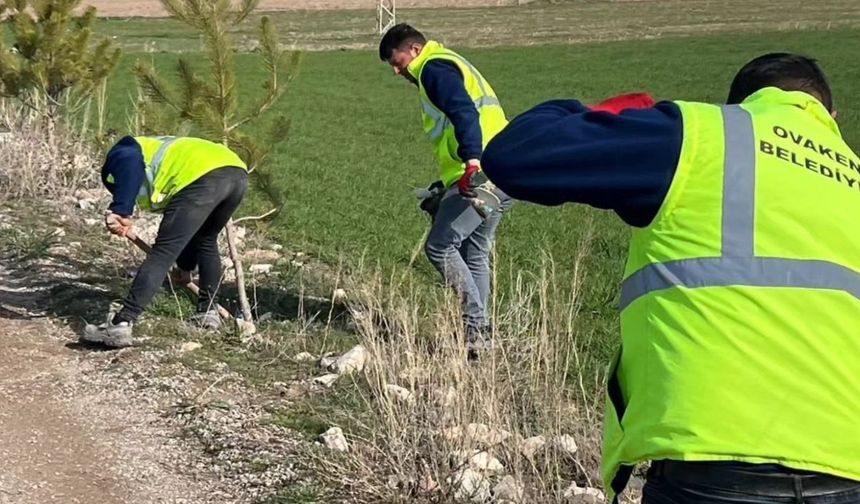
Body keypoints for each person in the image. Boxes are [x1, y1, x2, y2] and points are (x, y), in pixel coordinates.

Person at [482, 53, 860, 503]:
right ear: (830, 116)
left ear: (739, 106)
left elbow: (514, 155)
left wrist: (600, 111)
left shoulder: (702, 135)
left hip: (715, 467)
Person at [378, 23, 513, 355]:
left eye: (397, 62)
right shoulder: (449, 62)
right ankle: (482, 338)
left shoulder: (434, 68)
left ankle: (474, 328)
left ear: (414, 50)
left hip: (481, 173)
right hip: (505, 169)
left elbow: (464, 112)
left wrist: (471, 161)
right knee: (475, 251)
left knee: (439, 247)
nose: (397, 72)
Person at [81, 136, 248, 348]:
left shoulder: (123, 151)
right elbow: (190, 234)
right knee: (206, 241)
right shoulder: (167, 163)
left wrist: (120, 209)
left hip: (200, 176)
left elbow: (130, 161)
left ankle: (121, 323)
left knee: (163, 252)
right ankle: (208, 313)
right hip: (235, 174)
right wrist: (186, 268)